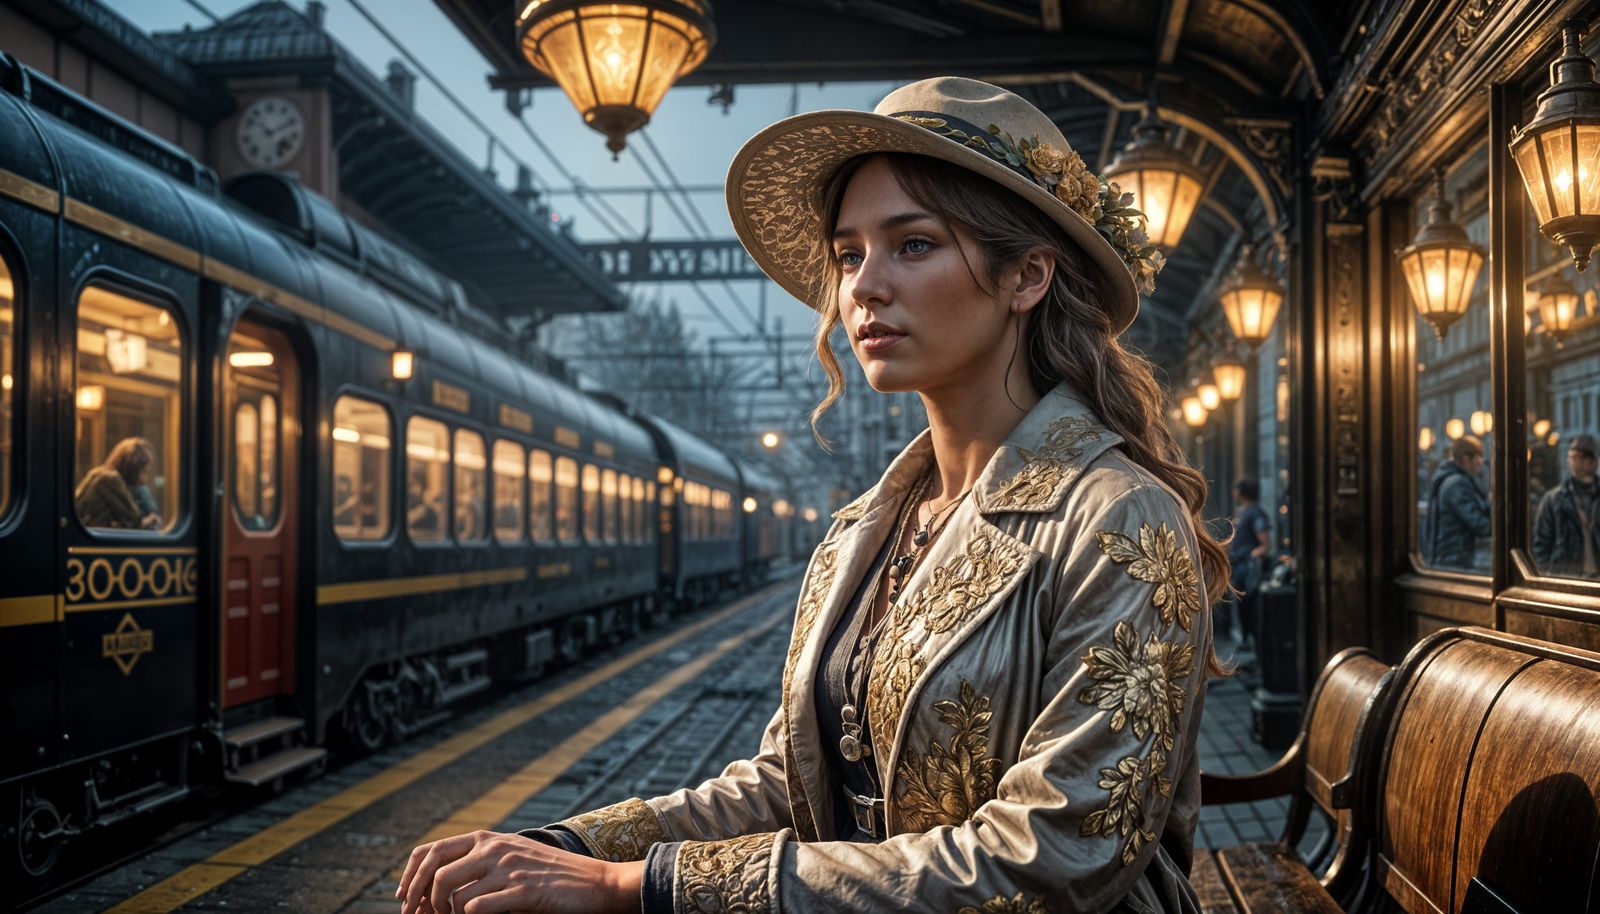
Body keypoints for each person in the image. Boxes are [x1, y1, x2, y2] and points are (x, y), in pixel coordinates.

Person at [399, 77, 1227, 914]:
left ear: (1028, 275)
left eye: (913, 245)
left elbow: (1057, 857)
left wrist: (635, 887)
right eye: (849, 255)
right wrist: (570, 846)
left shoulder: (1119, 518)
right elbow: (789, 783)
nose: (863, 287)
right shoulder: (862, 532)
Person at [1532, 434, 1600, 577]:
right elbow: (1540, 548)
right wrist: (1551, 576)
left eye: (1580, 457)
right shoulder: (1553, 500)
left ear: (1593, 461)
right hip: (1568, 577)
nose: (1575, 462)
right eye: (1572, 457)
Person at [1422, 435, 1492, 571]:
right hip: (1454, 560)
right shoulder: (1457, 484)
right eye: (1478, 457)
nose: (1481, 462)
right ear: (1466, 459)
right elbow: (1479, 524)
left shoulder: (1451, 480)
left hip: (1450, 558)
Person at [1224, 478, 1271, 649]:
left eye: (1236, 489)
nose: (1233, 492)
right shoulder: (1242, 512)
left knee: (1250, 608)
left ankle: (1253, 643)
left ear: (1242, 492)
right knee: (1242, 607)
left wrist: (1251, 555)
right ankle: (1246, 639)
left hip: (1247, 569)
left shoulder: (1255, 513)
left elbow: (1266, 545)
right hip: (1238, 568)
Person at [75, 437, 162, 530]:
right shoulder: (110, 480)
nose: (144, 479)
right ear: (131, 468)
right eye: (142, 472)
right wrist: (153, 519)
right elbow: (135, 520)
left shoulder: (100, 474)